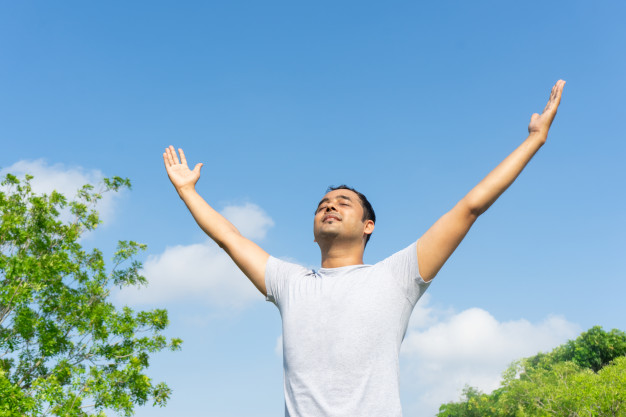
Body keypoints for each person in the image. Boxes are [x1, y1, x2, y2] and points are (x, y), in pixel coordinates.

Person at [163, 80, 566, 417]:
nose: (329, 205)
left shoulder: (397, 276)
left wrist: (534, 140)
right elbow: (229, 237)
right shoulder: (290, 282)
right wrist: (187, 192)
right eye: (323, 204)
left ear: (368, 226)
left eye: (343, 202)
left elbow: (470, 206)